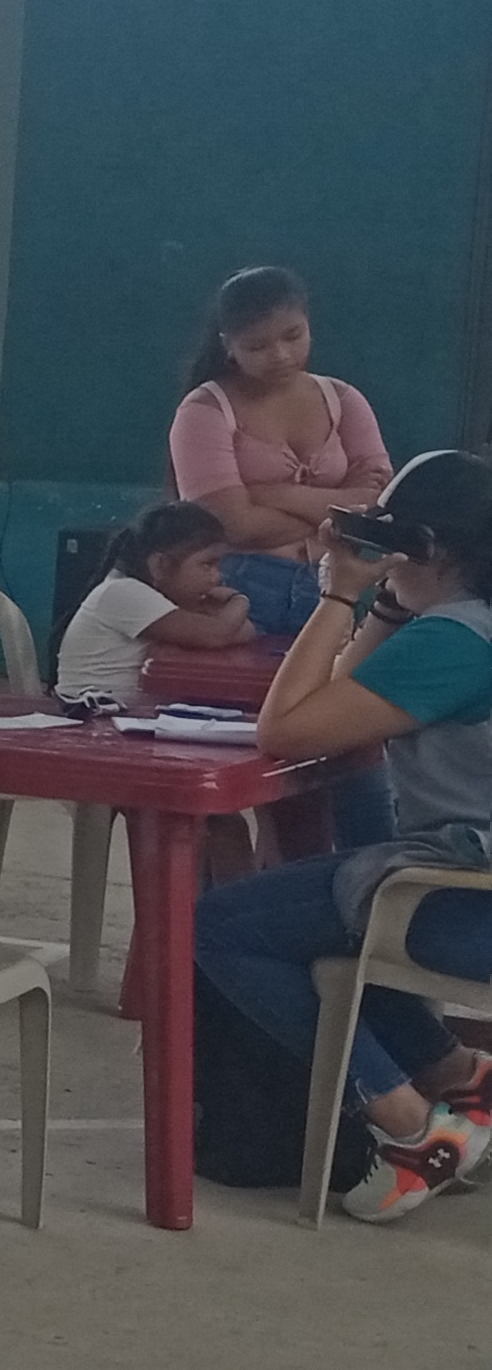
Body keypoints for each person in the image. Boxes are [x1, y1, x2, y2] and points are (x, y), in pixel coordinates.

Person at [198, 450, 492, 1225]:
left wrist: (337, 595)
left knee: (221, 928)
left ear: (427, 548)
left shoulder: (456, 642)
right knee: (325, 905)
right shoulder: (466, 625)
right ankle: (459, 1076)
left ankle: (410, 1131)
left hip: (468, 907)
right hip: (470, 880)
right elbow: (336, 707)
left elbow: (287, 730)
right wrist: (385, 605)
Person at [172, 266, 389, 635]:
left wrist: (271, 494)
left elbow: (377, 508)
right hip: (237, 588)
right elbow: (232, 526)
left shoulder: (344, 399)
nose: (281, 355)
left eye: (293, 335)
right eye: (257, 346)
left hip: (334, 583)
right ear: (228, 345)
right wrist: (339, 514)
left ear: (308, 323)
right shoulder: (204, 410)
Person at [58, 502, 254, 703]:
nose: (216, 578)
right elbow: (216, 635)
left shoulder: (159, 595)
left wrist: (224, 621)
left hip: (121, 711)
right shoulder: (124, 592)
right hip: (88, 713)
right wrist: (238, 600)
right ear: (159, 565)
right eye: (207, 565)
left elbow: (244, 629)